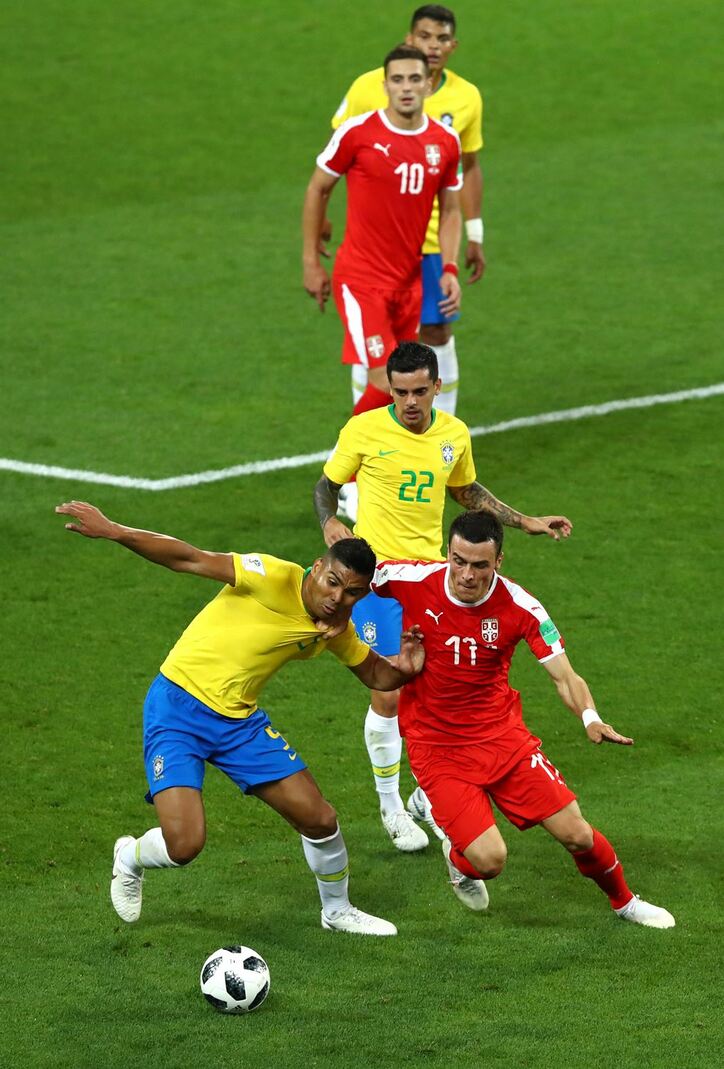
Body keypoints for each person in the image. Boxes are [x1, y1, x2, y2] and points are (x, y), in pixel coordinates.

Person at [55, 500, 425, 937]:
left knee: (320, 819)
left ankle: (337, 910)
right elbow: (188, 557)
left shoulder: (337, 626)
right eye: (332, 583)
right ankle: (129, 857)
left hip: (239, 724)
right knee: (185, 845)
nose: (336, 598)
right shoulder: (270, 575)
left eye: (351, 593)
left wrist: (406, 665)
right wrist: (115, 530)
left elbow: (376, 675)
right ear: (316, 567)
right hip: (177, 707)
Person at [312, 342, 572, 853]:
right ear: (390, 388)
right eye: (399, 391)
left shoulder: (453, 434)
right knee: (389, 686)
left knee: (437, 686)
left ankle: (425, 794)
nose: (409, 401)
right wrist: (329, 521)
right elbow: (326, 485)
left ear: (436, 387)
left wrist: (526, 521)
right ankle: (390, 805)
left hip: (434, 578)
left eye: (419, 391)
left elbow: (467, 492)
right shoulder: (363, 429)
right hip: (380, 580)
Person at [371, 509, 675, 928]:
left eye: (479, 565)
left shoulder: (520, 606)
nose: (466, 574)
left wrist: (590, 717)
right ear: (448, 553)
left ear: (498, 562)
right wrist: (330, 623)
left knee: (577, 833)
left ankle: (624, 901)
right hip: (437, 745)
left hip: (502, 738)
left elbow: (564, 674)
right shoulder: (409, 579)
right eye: (458, 561)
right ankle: (461, 860)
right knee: (490, 860)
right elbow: (343, 577)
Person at [331, 5, 485, 417]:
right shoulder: (367, 88)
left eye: (440, 39)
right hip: (380, 245)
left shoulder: (466, 98)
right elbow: (340, 154)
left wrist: (475, 233)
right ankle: (360, 444)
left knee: (432, 334)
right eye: (424, 37)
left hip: (433, 243)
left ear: (452, 46)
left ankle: (444, 426)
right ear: (409, 38)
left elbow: (467, 169)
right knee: (379, 355)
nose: (432, 46)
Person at [302, 42, 463, 429]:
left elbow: (452, 209)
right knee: (386, 379)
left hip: (408, 284)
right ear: (385, 85)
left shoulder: (444, 142)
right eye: (397, 80)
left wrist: (450, 267)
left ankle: (359, 472)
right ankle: (342, 478)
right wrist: (310, 261)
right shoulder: (358, 133)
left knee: (402, 384)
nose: (405, 87)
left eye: (414, 79)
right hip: (361, 280)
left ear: (428, 84)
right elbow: (318, 188)